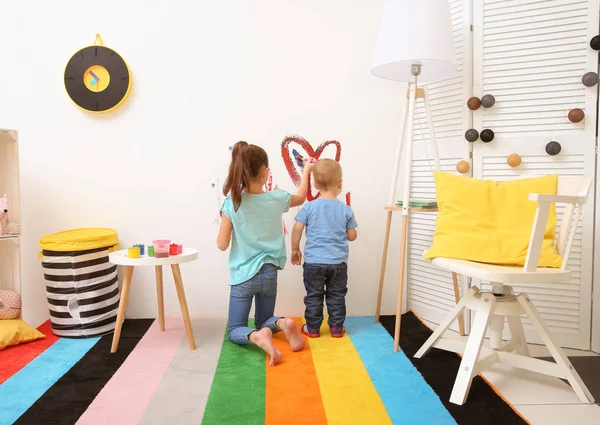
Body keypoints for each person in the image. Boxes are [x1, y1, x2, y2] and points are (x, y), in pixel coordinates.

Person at [217, 141, 314, 365]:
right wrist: (306, 170)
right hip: (269, 273)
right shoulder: (277, 198)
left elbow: (222, 244)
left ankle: (257, 337)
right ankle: (282, 323)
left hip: (243, 277)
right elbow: (301, 197)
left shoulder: (231, 203)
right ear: (265, 172)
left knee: (235, 329)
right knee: (264, 320)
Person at [291, 159, 358, 338]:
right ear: (340, 183)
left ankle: (312, 328)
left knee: (314, 295)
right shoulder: (345, 210)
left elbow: (297, 228)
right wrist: (349, 232)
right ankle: (336, 328)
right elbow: (352, 236)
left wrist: (295, 249)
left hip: (313, 263)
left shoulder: (309, 207)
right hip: (338, 263)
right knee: (336, 296)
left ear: (314, 184)